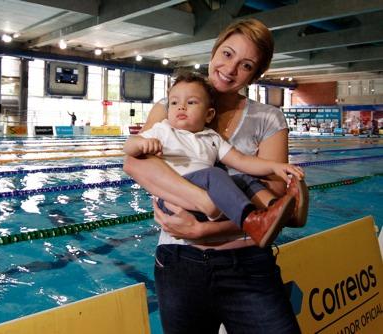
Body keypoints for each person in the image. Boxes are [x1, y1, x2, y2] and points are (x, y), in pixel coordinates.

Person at [123, 18, 307, 333]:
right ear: (214, 51)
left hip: (247, 264)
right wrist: (200, 206)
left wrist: (202, 230)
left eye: (246, 65)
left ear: (256, 74)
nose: (230, 69)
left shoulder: (267, 118)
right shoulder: (170, 108)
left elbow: (277, 207)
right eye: (226, 54)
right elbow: (134, 164)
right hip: (180, 261)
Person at [123, 72, 304, 247]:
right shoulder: (162, 130)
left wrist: (274, 166)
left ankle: (278, 210)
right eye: (174, 103)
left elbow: (241, 160)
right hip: (177, 199)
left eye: (191, 102)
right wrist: (142, 144)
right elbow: (129, 148)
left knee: (242, 179)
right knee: (215, 174)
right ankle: (252, 222)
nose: (181, 107)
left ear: (208, 115)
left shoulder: (212, 137)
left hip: (209, 193)